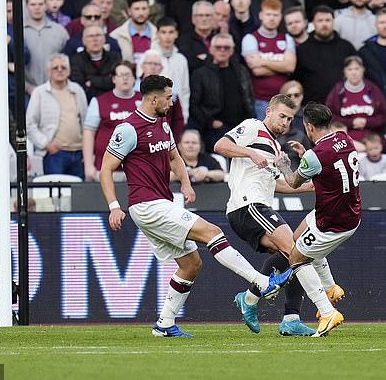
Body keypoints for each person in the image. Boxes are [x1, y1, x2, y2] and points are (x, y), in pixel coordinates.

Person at [99, 75, 289, 337]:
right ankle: (262, 282)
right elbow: (106, 169)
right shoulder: (128, 129)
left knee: (191, 264)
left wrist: (186, 183)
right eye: (167, 97)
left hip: (161, 201)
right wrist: (113, 205)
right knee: (212, 233)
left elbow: (174, 155)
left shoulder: (163, 124)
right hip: (146, 204)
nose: (171, 101)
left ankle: (164, 324)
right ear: (153, 98)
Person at [213, 94, 316, 336]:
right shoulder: (252, 127)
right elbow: (220, 146)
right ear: (268, 112)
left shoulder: (276, 147)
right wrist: (250, 154)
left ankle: (289, 318)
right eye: (281, 116)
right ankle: (252, 299)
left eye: (290, 119)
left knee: (294, 254)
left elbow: (280, 184)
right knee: (297, 250)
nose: (285, 123)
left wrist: (311, 185)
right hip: (247, 205)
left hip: (258, 207)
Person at [276, 102, 362, 337]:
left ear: (309, 126)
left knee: (296, 258)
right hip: (348, 211)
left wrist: (285, 165)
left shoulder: (315, 156)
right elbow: (329, 167)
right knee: (297, 238)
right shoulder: (346, 138)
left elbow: (293, 181)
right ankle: (330, 287)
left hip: (332, 222)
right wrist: (307, 157)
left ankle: (327, 311)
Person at [26, 54, 87, 178]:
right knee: (55, 195)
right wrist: (46, 145)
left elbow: (86, 123)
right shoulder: (40, 93)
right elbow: (30, 125)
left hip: (79, 154)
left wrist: (87, 151)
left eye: (63, 67)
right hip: (55, 154)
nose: (60, 70)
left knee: (79, 195)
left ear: (69, 71)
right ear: (48, 71)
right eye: (55, 68)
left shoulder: (77, 90)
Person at [83, 61, 141, 182]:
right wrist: (88, 166)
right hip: (106, 169)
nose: (125, 79)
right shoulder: (99, 101)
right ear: (113, 79)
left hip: (138, 170)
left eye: (128, 75)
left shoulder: (144, 101)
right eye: (120, 75)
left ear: (134, 78)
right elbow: (89, 133)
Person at [325, 56, 386, 148]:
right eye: (350, 69)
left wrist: (366, 122)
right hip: (345, 138)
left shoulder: (372, 89)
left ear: (363, 70)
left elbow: (384, 115)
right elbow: (329, 116)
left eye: (357, 68)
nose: (353, 72)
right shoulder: (338, 91)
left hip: (372, 138)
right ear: (344, 71)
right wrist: (351, 122)